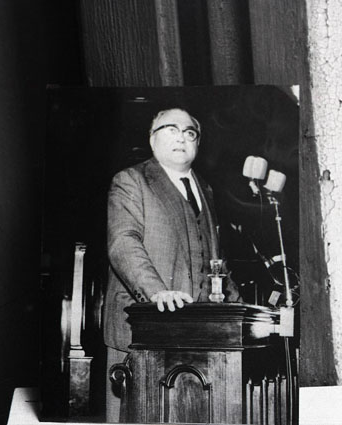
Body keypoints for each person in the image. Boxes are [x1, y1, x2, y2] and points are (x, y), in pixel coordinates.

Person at [103, 108, 240, 421]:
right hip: (140, 332)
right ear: (152, 140)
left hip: (196, 337)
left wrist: (240, 306)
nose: (182, 137)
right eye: (171, 129)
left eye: (190, 132)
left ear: (198, 143)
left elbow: (214, 260)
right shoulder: (131, 181)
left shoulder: (206, 190)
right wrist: (156, 292)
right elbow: (123, 243)